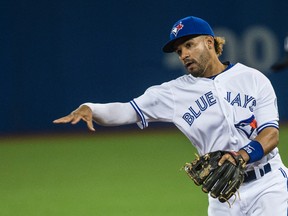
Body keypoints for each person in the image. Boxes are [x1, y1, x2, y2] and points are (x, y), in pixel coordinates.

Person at [53, 16, 288, 215]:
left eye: (189, 45)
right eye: (179, 51)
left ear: (209, 42)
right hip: (223, 197)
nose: (184, 54)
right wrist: (91, 108)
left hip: (268, 186)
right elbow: (126, 111)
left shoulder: (253, 79)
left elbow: (270, 135)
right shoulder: (174, 93)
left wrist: (241, 156)